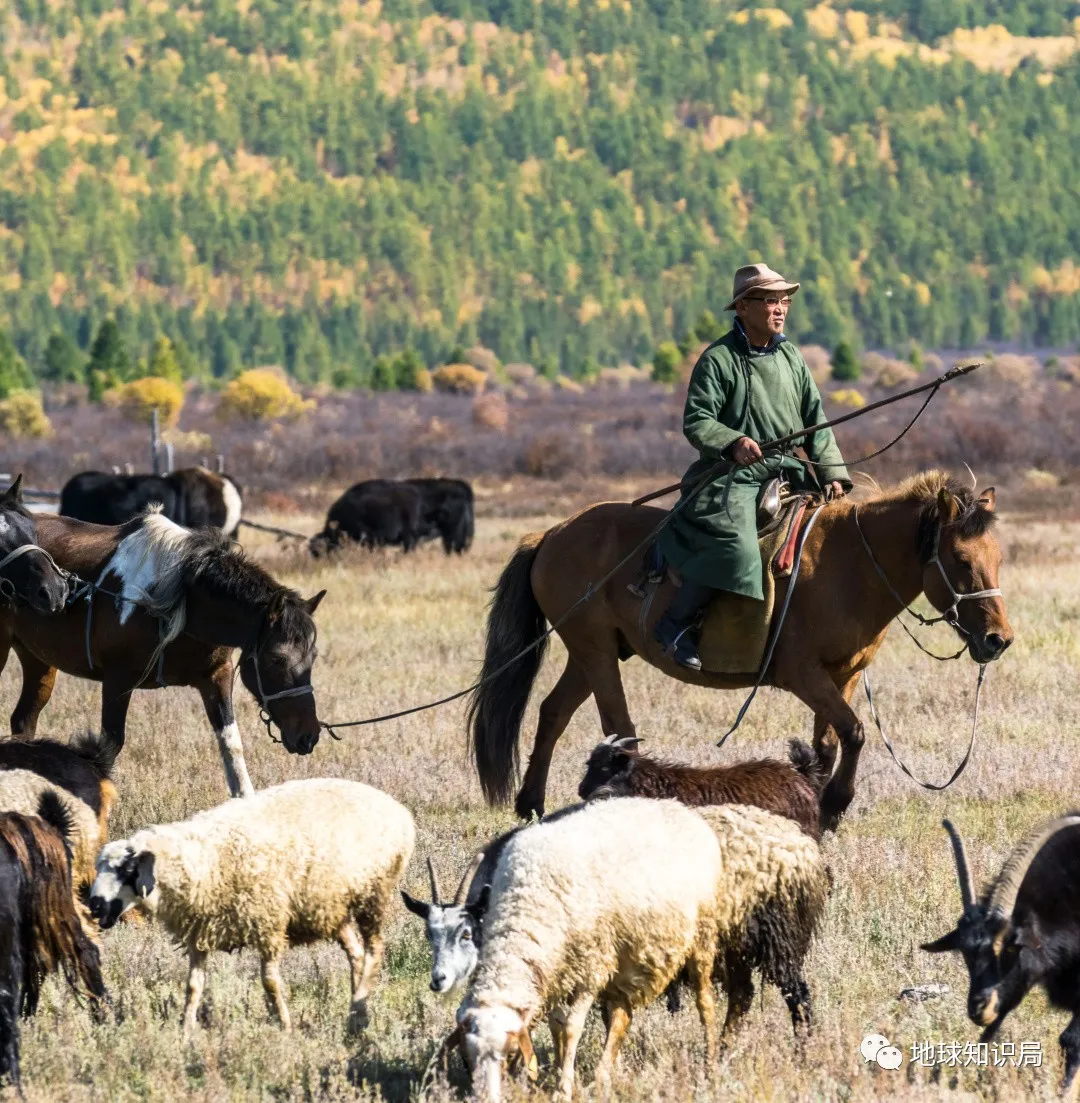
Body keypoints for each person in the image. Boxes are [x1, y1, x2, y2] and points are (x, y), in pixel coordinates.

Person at [654, 263, 852, 671]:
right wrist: (733, 442)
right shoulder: (718, 359)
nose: (780, 309)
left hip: (789, 472)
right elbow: (697, 420)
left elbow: (815, 418)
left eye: (785, 301)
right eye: (770, 300)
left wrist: (832, 472)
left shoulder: (793, 357)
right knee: (735, 543)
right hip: (731, 476)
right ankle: (676, 624)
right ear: (742, 307)